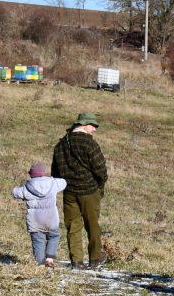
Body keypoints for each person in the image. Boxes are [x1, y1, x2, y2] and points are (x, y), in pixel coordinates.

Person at [51, 112, 108, 269]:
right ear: (84, 125)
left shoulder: (60, 144)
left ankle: (76, 261)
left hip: (69, 192)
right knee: (92, 225)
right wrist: (100, 186)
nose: (95, 129)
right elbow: (101, 169)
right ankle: (95, 258)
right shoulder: (90, 144)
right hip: (89, 191)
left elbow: (55, 172)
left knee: (73, 227)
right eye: (93, 125)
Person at [12, 163, 67, 267]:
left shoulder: (27, 187)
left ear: (31, 174)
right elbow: (64, 182)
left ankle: (40, 263)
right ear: (43, 173)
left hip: (35, 219)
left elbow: (15, 193)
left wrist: (15, 189)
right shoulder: (53, 183)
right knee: (54, 236)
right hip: (51, 218)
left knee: (38, 240)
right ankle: (49, 258)